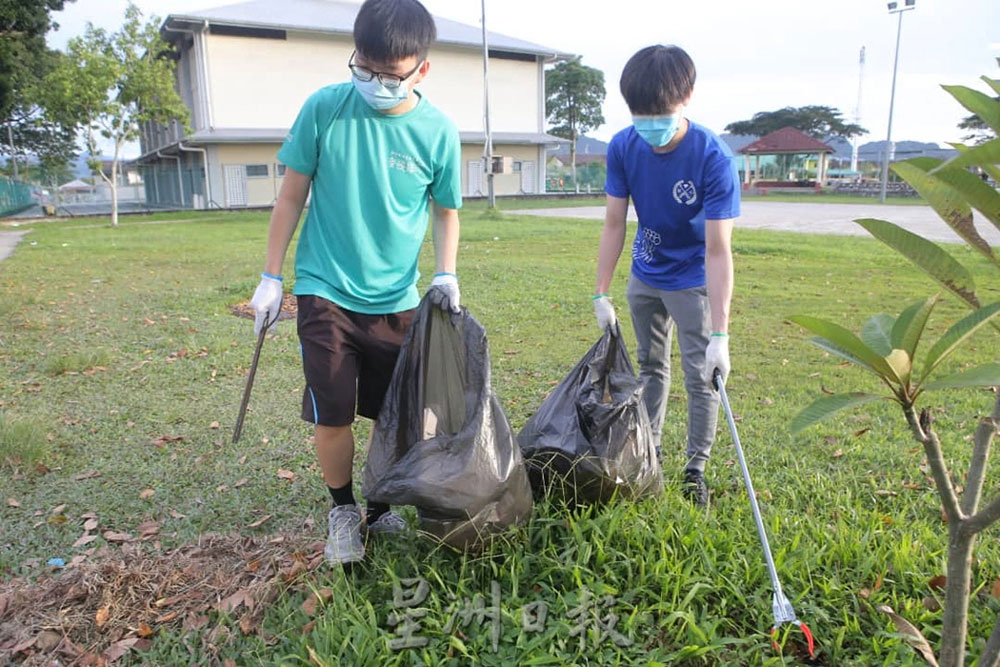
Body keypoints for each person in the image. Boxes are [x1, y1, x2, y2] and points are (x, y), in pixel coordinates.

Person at [249, 0, 462, 565]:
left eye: (390, 75)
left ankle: (380, 506)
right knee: (333, 411)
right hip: (326, 291)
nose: (374, 83)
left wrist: (446, 272)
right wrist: (272, 276)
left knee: (395, 413)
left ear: (421, 69)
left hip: (397, 299)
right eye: (363, 68)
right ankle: (342, 508)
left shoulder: (438, 131)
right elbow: (292, 194)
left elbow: (445, 210)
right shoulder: (325, 109)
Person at [593, 45, 739, 508]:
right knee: (650, 366)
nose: (650, 125)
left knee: (702, 376)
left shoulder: (712, 157)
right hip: (646, 272)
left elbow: (718, 249)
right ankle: (650, 450)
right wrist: (600, 291)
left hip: (693, 278)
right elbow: (615, 222)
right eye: (640, 114)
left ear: (688, 97)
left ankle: (695, 469)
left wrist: (721, 332)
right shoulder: (623, 145)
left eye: (660, 114)